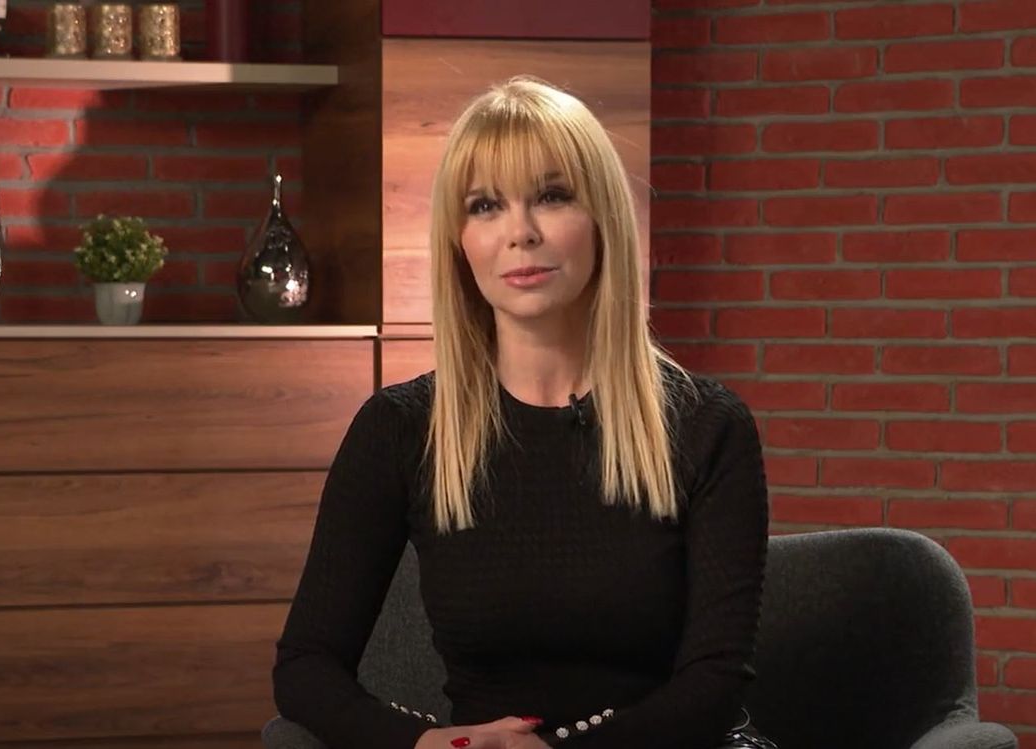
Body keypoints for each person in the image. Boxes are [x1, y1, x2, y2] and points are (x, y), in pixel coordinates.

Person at [272, 76, 772, 749]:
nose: (521, 233)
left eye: (552, 196)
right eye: (485, 206)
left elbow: (714, 683)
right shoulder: (400, 429)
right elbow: (306, 667)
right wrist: (429, 745)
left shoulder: (708, 426)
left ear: (602, 218)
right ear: (459, 241)